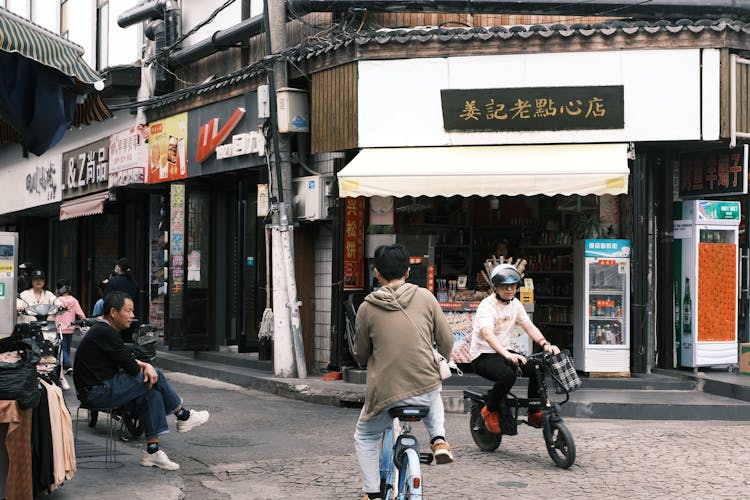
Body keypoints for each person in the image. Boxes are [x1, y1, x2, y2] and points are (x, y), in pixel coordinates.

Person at [353, 244, 454, 500]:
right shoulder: (426, 297)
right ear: (408, 272)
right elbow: (446, 340)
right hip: (424, 385)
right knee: (434, 390)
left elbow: (361, 353)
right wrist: (445, 358)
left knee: (365, 436)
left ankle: (373, 494)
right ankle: (439, 439)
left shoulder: (367, 307)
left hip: (386, 392)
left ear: (377, 273)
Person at [73, 291, 209, 471]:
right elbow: (130, 366)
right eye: (128, 311)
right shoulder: (105, 332)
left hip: (101, 388)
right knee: (156, 376)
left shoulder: (103, 330)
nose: (132, 316)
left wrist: (145, 365)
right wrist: (148, 367)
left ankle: (152, 453)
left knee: (151, 393)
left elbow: (123, 358)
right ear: (113, 312)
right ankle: (183, 415)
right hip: (96, 391)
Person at [470, 263, 561, 434]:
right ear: (495, 287)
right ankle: (488, 410)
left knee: (536, 367)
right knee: (508, 375)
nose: (510, 289)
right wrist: (507, 354)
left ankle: (534, 412)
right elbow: (488, 335)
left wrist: (545, 344)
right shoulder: (486, 306)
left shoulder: (516, 304)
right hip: (482, 355)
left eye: (513, 285)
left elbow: (529, 326)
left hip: (504, 352)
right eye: (505, 286)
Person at [55, 279, 86, 385]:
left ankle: (67, 366)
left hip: (59, 328)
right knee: (66, 347)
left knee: (62, 348)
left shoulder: (57, 300)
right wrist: (84, 322)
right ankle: (67, 366)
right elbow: (80, 313)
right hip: (70, 327)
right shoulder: (73, 300)